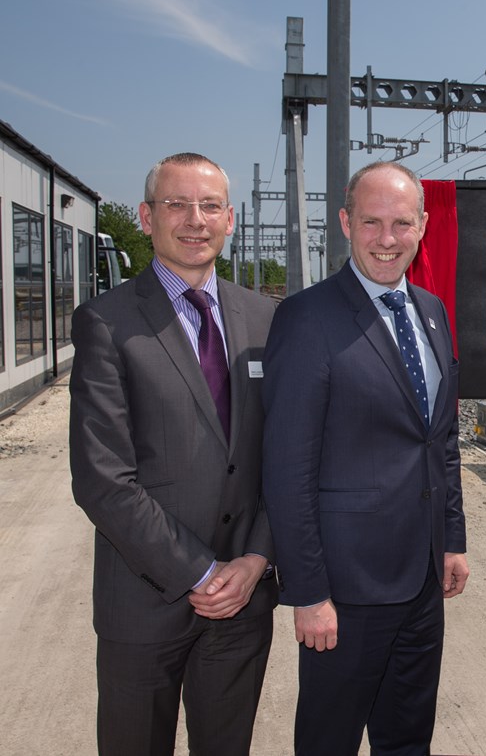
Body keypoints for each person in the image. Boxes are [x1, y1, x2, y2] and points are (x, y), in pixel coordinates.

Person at [69, 153, 277, 755]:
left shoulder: (267, 319)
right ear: (146, 215)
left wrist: (256, 559)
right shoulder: (106, 323)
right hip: (144, 600)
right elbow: (103, 479)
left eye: (209, 205)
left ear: (230, 218)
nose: (194, 219)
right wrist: (201, 571)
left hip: (243, 598)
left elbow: (285, 460)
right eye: (176, 204)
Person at [262, 161, 468, 755]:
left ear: (422, 226)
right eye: (372, 221)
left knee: (407, 738)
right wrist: (308, 592)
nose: (387, 238)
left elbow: (442, 439)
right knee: (329, 740)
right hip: (346, 590)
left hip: (423, 579)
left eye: (401, 223)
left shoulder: (431, 311)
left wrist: (451, 538)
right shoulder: (307, 318)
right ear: (347, 223)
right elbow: (287, 469)